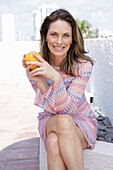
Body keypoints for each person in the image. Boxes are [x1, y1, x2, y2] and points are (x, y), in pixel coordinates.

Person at [22, 8, 97, 170]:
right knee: (62, 121)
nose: (59, 41)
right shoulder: (36, 66)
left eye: (66, 36)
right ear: (45, 37)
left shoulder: (83, 66)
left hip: (81, 122)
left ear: (72, 39)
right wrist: (41, 81)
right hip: (49, 121)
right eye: (54, 34)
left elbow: (68, 110)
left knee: (54, 141)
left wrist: (56, 78)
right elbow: (50, 109)